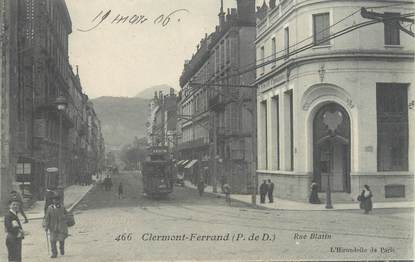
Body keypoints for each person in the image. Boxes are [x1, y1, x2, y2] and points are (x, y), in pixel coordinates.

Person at [44, 194, 69, 258]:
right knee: (52, 240)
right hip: (52, 227)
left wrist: (64, 217)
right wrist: (46, 226)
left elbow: (67, 214)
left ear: (59, 201)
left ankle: (61, 248)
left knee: (61, 239)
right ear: (53, 201)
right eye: (54, 200)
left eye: (57, 200)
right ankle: (54, 253)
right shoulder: (50, 208)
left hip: (61, 227)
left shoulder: (62, 207)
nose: (56, 201)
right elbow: (47, 218)